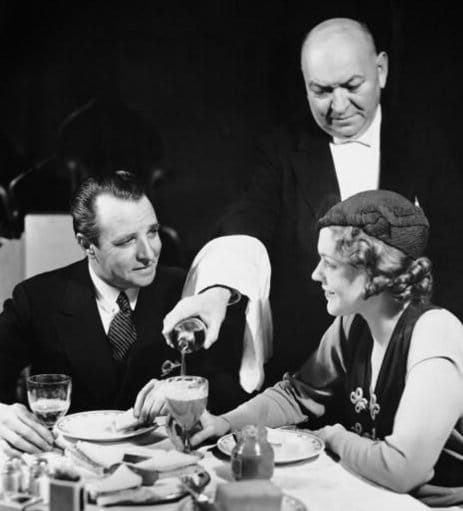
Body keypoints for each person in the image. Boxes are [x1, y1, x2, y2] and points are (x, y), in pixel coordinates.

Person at [162, 17, 463, 391]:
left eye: (353, 86)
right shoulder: (280, 149)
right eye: (321, 91)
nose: (338, 106)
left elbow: (454, 254)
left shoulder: (427, 144)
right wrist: (216, 293)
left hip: (409, 361)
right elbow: (244, 223)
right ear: (305, 86)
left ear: (381, 70)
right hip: (307, 368)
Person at [148, 190, 463, 507]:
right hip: (374, 493)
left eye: (329, 263)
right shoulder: (353, 324)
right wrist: (223, 423)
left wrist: (333, 437)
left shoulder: (434, 334)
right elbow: (298, 394)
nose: (316, 274)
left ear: (374, 272)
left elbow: (402, 469)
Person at [0, 171, 247, 456]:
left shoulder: (191, 292)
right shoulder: (37, 298)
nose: (148, 253)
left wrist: (187, 393)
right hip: (71, 469)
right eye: (126, 241)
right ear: (86, 244)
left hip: (168, 464)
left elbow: (236, 391)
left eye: (152, 232)